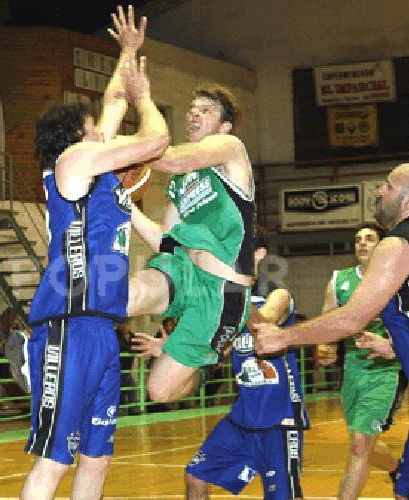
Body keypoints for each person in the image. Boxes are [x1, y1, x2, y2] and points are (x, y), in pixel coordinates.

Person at [253, 163, 409, 500]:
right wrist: (397, 348)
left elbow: (352, 318)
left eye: (388, 185)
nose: (380, 192)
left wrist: (283, 336)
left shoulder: (398, 244)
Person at [17, 7, 168, 499]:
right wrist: (147, 100)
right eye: (92, 126)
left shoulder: (91, 167)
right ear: (75, 135)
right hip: (69, 322)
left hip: (102, 325)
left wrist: (127, 51)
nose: (101, 128)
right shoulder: (73, 161)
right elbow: (156, 139)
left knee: (97, 459)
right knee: (54, 460)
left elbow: (112, 101)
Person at [133, 231, 306, 499]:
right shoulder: (225, 304)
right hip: (242, 419)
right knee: (195, 477)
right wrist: (174, 353)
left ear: (258, 254)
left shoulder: (278, 294)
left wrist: (233, 291)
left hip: (279, 421)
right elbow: (215, 357)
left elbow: (264, 323)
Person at [124, 81, 258, 403]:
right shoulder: (181, 180)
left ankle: (205, 364)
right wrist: (124, 203)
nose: (194, 115)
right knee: (125, 297)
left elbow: (168, 158)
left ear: (224, 126)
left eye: (206, 111)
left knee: (158, 392)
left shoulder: (231, 149)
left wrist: (141, 101)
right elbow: (164, 241)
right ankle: (46, 348)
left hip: (220, 292)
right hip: (183, 271)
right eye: (192, 110)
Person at [316, 223, 408, 500]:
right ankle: (400, 471)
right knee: (364, 440)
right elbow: (327, 319)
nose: (363, 243)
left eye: (370, 238)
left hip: (386, 371)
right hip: (352, 372)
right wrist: (325, 346)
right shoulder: (339, 280)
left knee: (359, 444)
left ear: (382, 245)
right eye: (358, 239)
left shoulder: (397, 281)